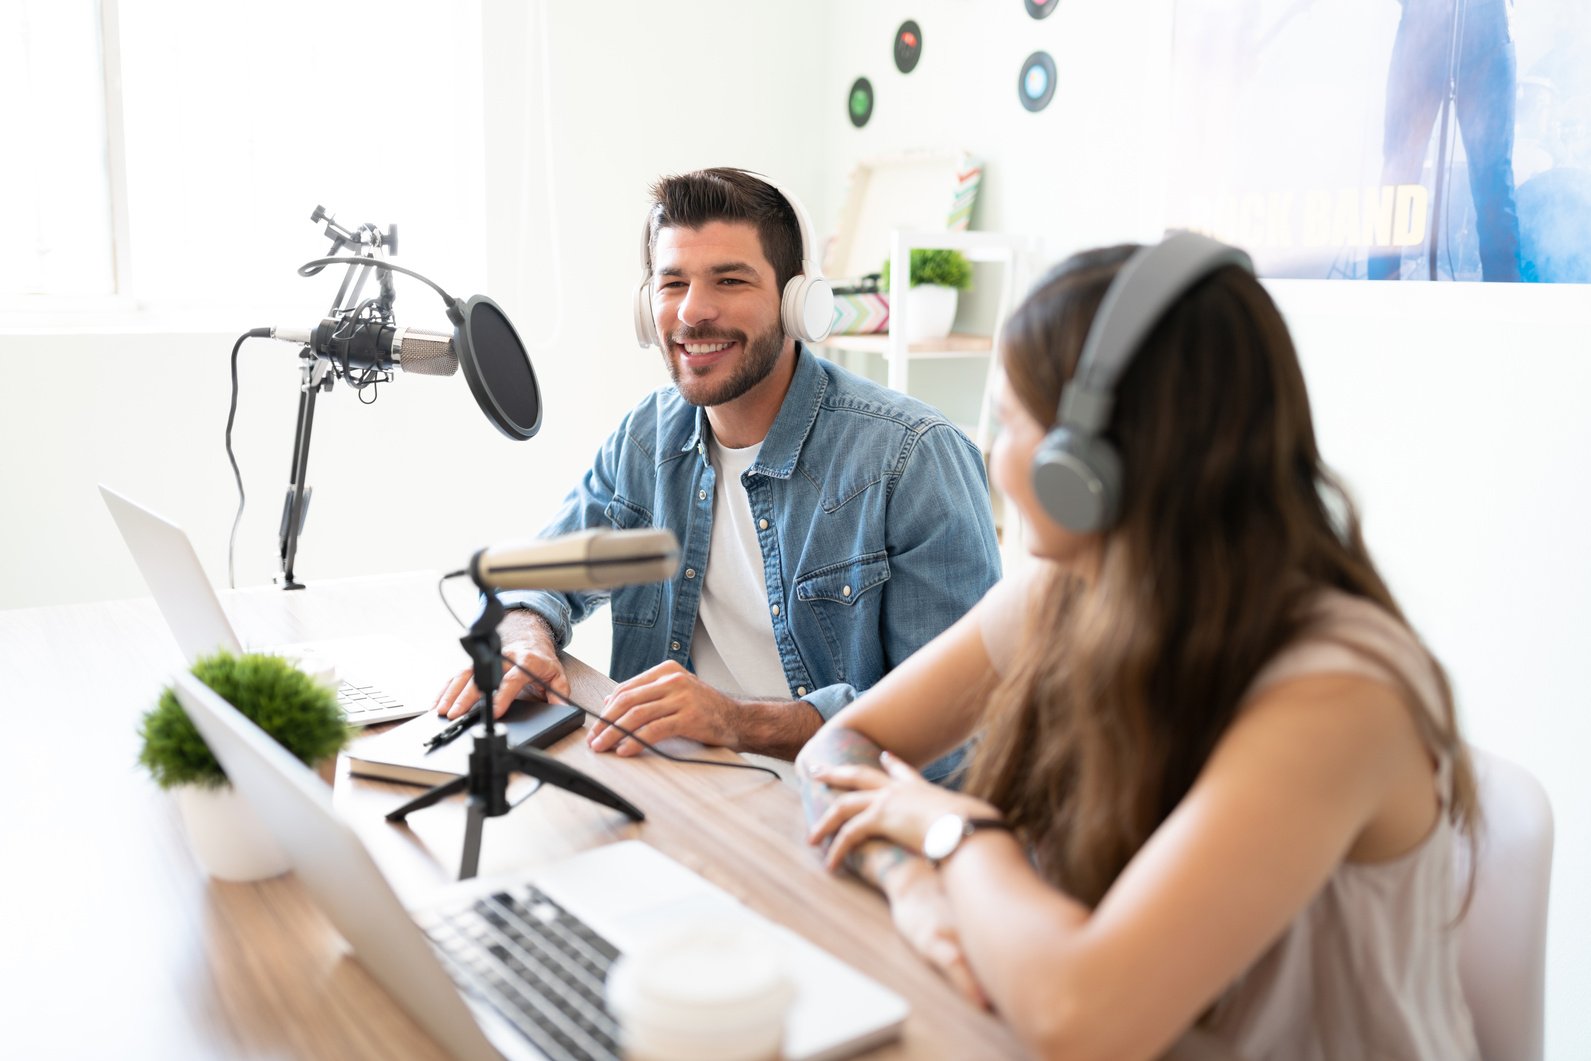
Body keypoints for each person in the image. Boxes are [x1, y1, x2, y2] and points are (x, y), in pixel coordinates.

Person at [799, 235, 1480, 1057]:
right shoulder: (1072, 590)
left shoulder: (1339, 696)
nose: (989, 451)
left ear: (1081, 466)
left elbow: (1082, 1014)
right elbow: (841, 745)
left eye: (1009, 420)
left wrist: (954, 833)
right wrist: (910, 886)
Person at [435, 168, 1001, 778]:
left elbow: (957, 731)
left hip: (845, 815)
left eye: (729, 280)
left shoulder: (911, 457)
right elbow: (535, 576)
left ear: (798, 303)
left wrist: (737, 720)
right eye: (671, 282)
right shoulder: (648, 438)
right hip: (684, 797)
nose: (692, 312)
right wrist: (525, 640)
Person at [1369, 0, 1523, 281]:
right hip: (1422, 28)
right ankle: (1380, 293)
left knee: (1492, 179)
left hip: (1488, 30)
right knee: (1399, 174)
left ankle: (1506, 301)